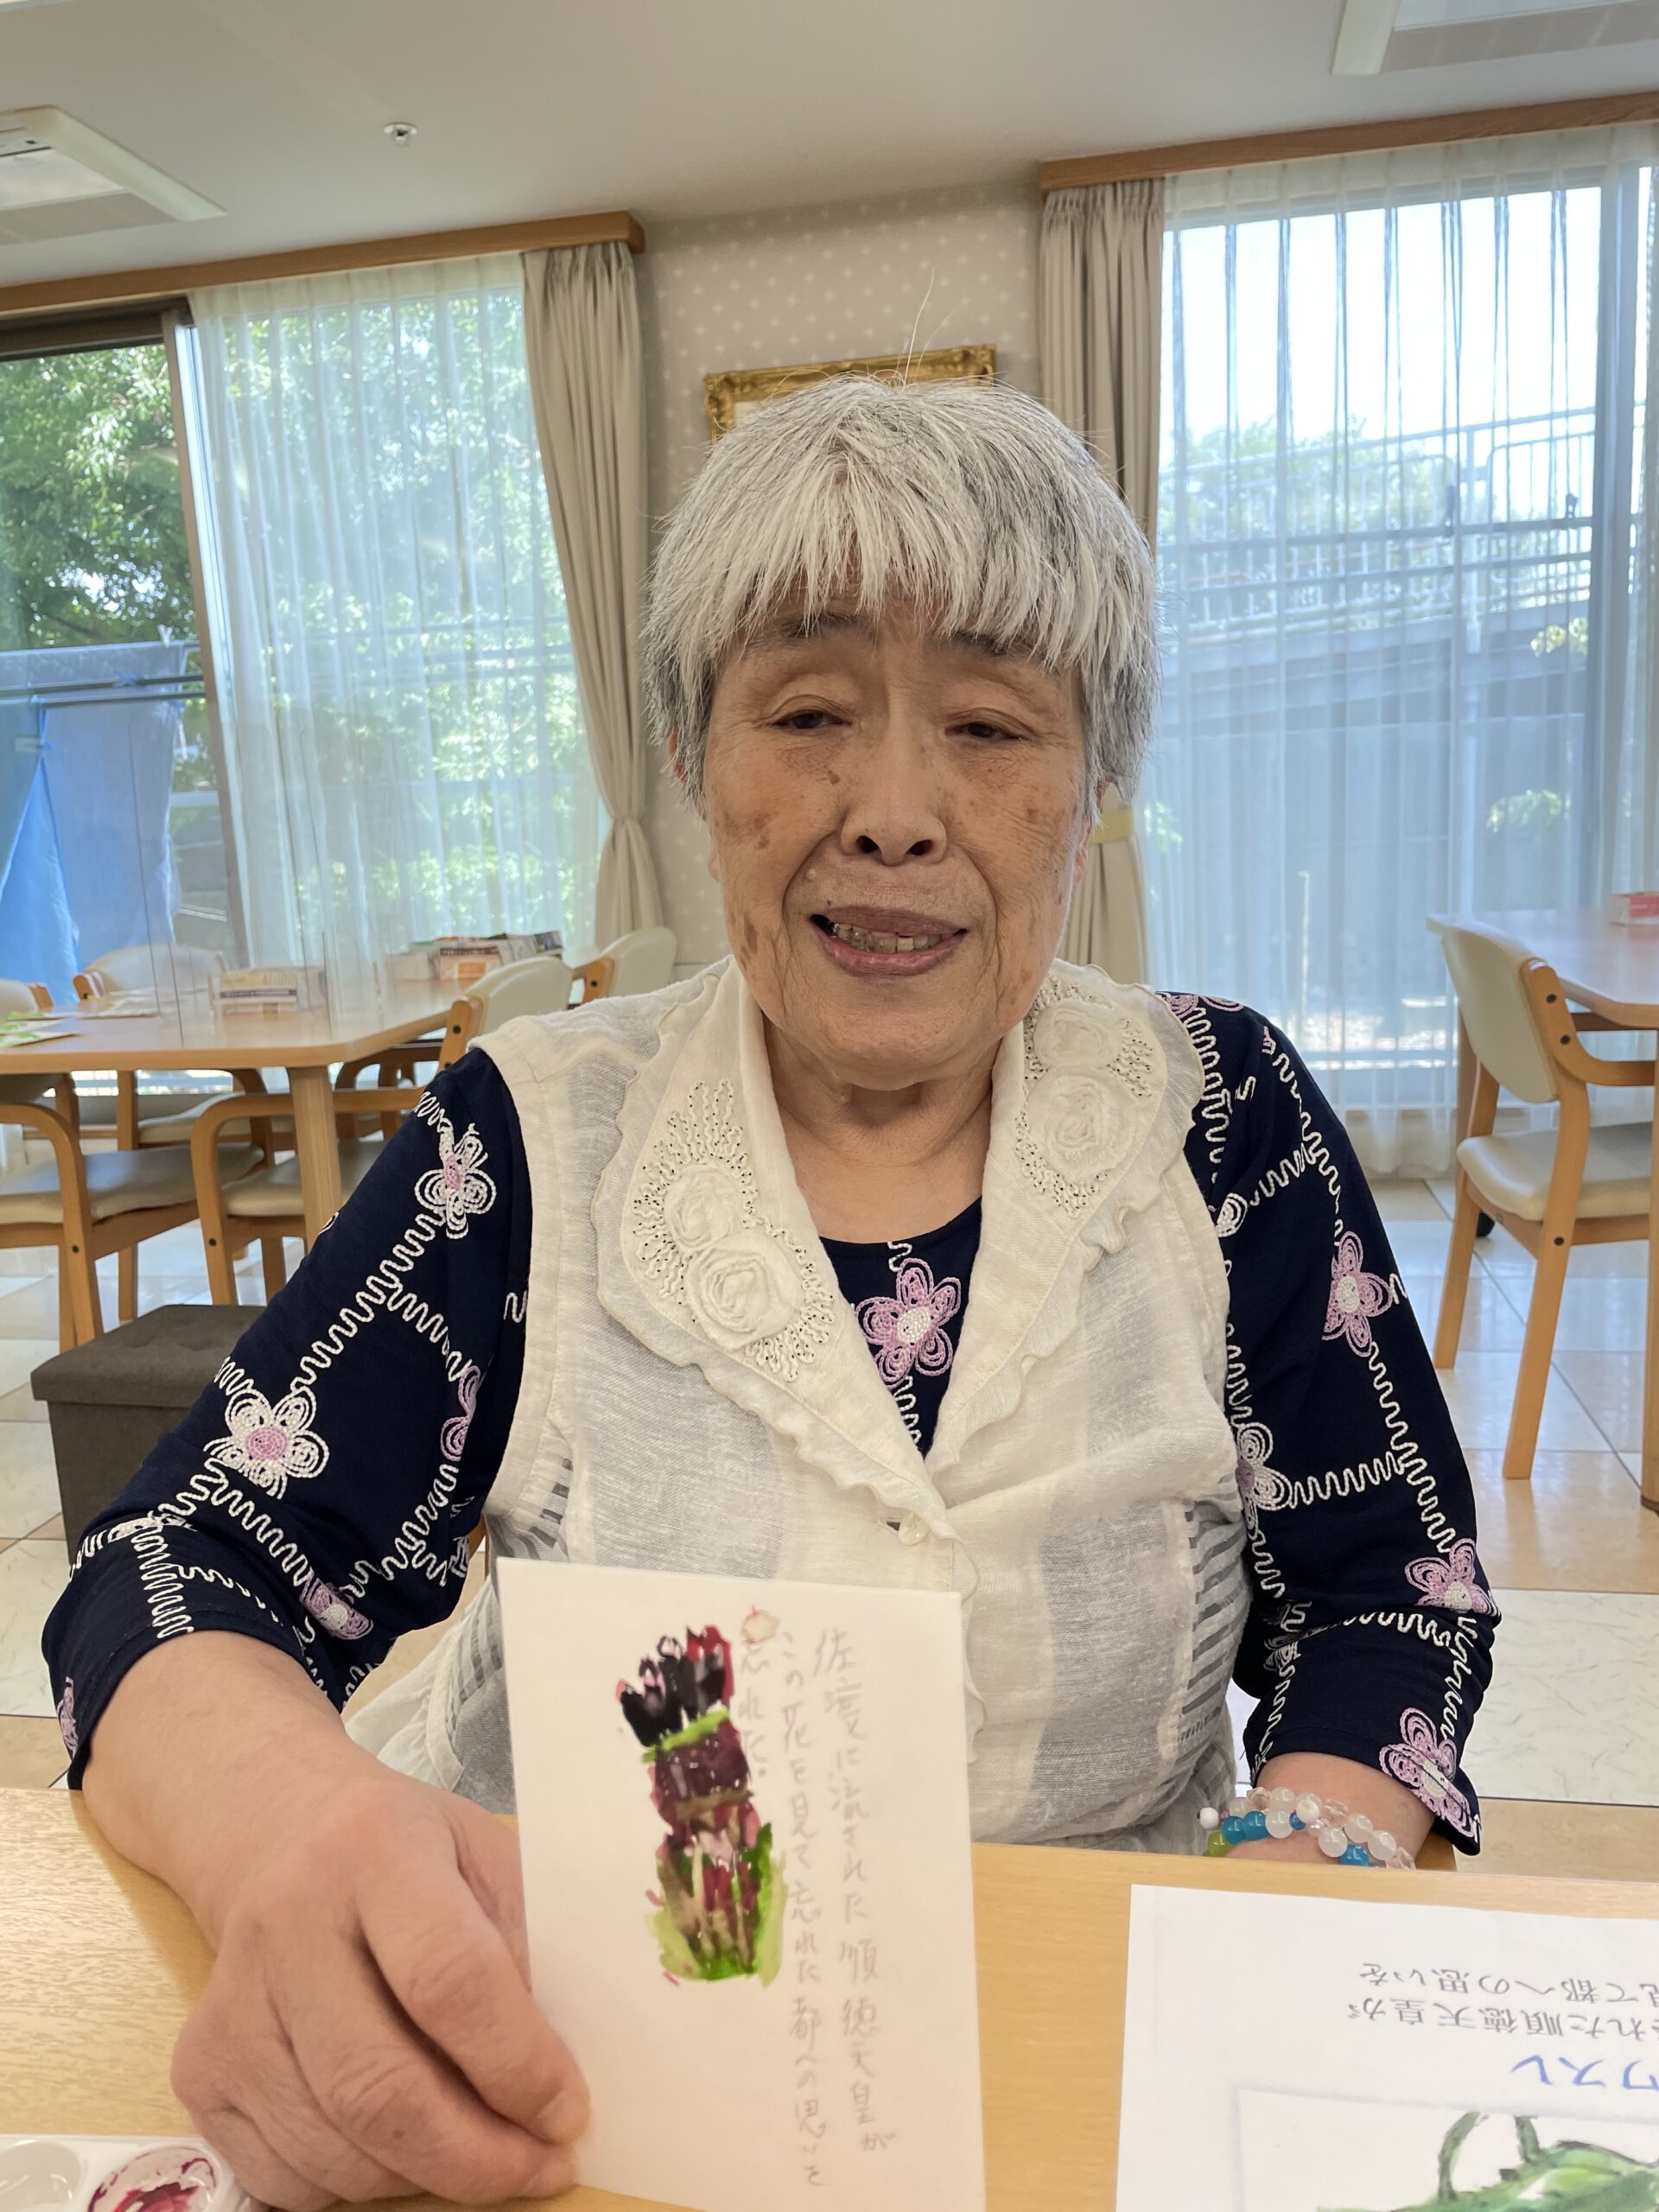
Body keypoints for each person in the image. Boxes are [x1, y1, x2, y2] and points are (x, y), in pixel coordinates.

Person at [45, 376, 1495, 2209]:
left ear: (1094, 786)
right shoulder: (528, 1136)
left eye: (990, 723)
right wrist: (291, 1830)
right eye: (806, 713)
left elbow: (1392, 1582)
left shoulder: (1226, 1116)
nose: (892, 813)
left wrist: (1312, 1848)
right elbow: (179, 1563)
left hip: (1085, 2026)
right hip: (576, 2064)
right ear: (690, 758)